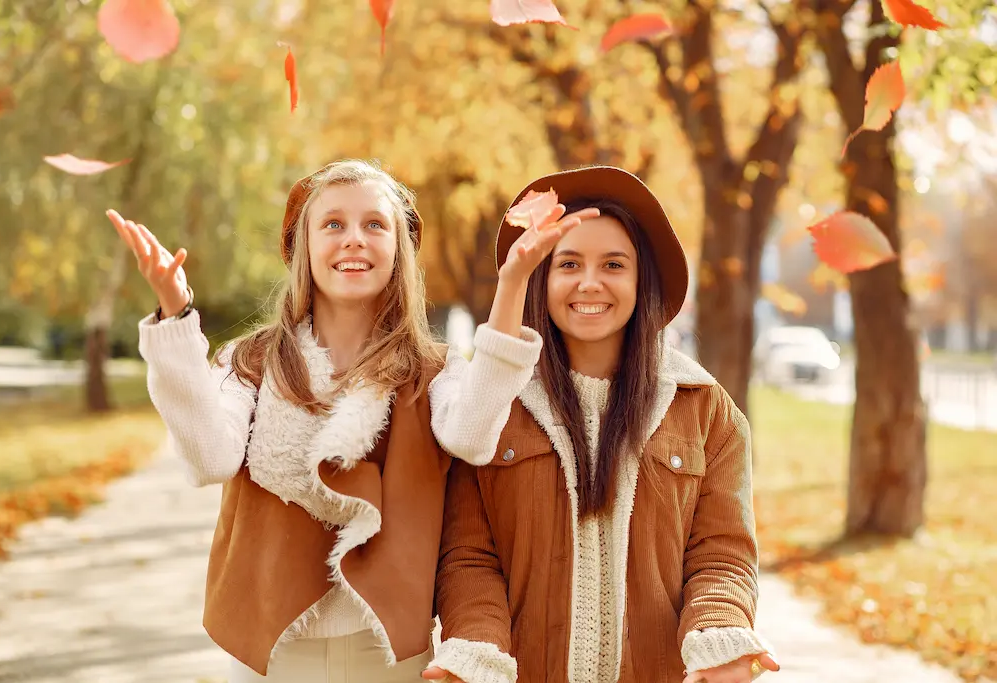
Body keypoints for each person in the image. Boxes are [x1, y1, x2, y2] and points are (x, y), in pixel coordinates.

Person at [107, 159, 492, 682]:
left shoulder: (437, 373)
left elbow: (474, 433)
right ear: (303, 249)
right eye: (332, 224)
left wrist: (510, 300)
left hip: (393, 657)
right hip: (274, 655)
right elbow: (208, 458)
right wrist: (176, 318)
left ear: (399, 251)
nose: (353, 239)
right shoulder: (249, 362)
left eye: (375, 224)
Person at [422, 166, 779, 683]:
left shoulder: (705, 410)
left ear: (641, 280)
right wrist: (477, 653)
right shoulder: (492, 407)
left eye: (614, 264)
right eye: (569, 263)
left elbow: (722, 555)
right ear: (542, 278)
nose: (591, 282)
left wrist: (718, 636)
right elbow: (469, 558)